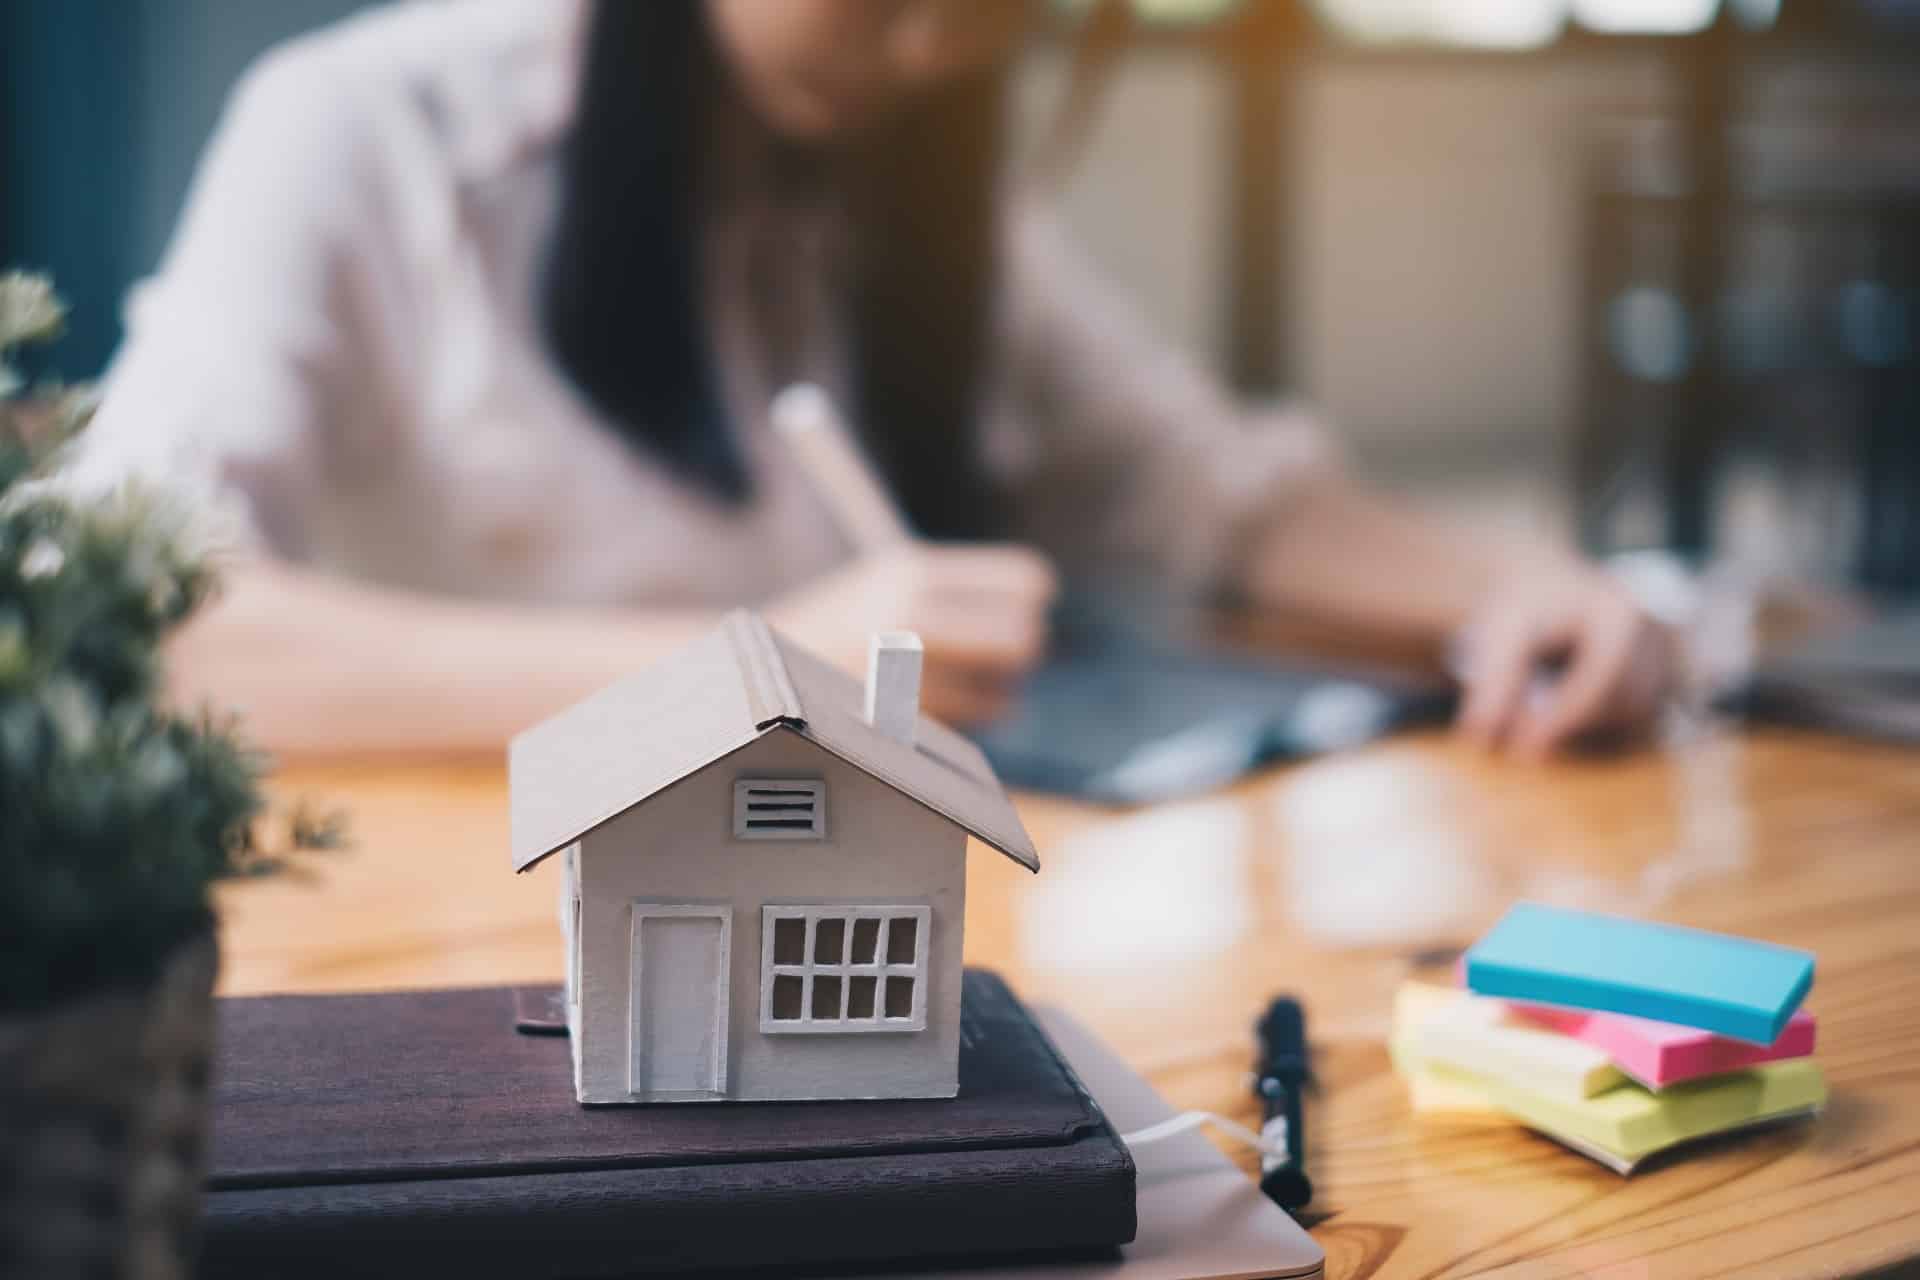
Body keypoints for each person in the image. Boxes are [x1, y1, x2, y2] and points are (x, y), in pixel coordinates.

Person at [75, 0, 1672, 758]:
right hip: (431, 966)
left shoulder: (914, 173)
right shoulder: (364, 134)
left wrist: (1517, 580)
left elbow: (1199, 489)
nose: (946, 37)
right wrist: (745, 671)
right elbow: (134, 632)